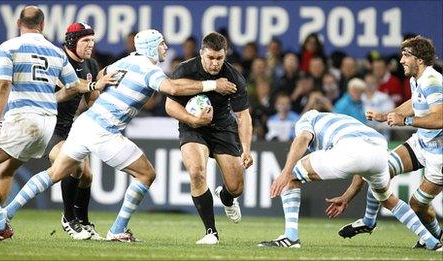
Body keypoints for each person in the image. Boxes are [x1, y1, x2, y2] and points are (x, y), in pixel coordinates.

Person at [0, 29, 237, 243]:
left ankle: (4, 216)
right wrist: (212, 86)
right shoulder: (148, 69)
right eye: (162, 44)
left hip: (85, 124)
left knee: (54, 174)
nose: (166, 47)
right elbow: (173, 89)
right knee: (146, 174)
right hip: (104, 130)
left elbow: (102, 73)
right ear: (153, 47)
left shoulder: (125, 61)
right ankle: (117, 230)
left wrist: (97, 95)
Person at [0, 6, 115, 243]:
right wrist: (94, 86)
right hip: (46, 125)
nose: (90, 44)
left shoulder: (9, 47)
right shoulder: (55, 52)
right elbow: (73, 86)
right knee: (6, 170)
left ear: (18, 23)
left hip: (22, 120)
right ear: (43, 26)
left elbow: (2, 85)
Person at [257, 110, 442, 251]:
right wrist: (347, 196)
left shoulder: (307, 119)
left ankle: (290, 237)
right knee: (388, 200)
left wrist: (285, 171)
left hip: (352, 149)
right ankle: (432, 241)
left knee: (292, 177)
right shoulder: (342, 120)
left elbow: (303, 138)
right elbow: (361, 166)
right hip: (379, 148)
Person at [325, 35, 442, 249]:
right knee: (380, 169)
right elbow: (414, 103)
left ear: (420, 59)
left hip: (440, 155)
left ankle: (436, 236)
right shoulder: (417, 79)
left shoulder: (433, 81)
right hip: (422, 143)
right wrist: (387, 115)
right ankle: (369, 221)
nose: (401, 60)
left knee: (417, 205)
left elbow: (440, 118)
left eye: (406, 55)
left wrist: (404, 120)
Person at [164, 32, 253, 245]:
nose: (215, 63)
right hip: (192, 127)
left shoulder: (234, 77)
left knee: (236, 187)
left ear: (225, 55)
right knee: (196, 173)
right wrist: (192, 120)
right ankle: (211, 232)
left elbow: (243, 116)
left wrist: (247, 149)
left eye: (219, 58)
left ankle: (227, 197)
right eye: (210, 58)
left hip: (223, 128)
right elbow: (170, 105)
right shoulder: (185, 70)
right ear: (201, 53)